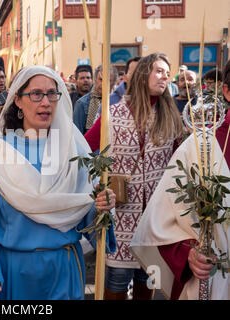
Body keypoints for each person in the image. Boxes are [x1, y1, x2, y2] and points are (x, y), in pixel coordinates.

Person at [0, 65, 117, 300]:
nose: (45, 102)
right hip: (16, 274)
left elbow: (89, 219)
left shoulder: (74, 153)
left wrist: (101, 208)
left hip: (65, 271)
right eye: (36, 94)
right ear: (18, 101)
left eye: (52, 94)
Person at [84, 53, 184, 299]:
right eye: (159, 71)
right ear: (143, 74)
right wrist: (100, 185)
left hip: (155, 219)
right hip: (120, 218)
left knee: (147, 283)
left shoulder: (170, 115)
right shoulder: (112, 114)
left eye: (167, 73)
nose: (165, 77)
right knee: (116, 285)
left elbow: (177, 164)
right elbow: (85, 150)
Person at [130, 59, 230, 300]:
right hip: (218, 278)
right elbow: (161, 221)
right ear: (227, 91)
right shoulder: (200, 147)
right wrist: (189, 253)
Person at [73, 65, 117, 135]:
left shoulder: (118, 102)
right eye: (101, 79)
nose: (103, 84)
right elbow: (77, 135)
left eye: (108, 81)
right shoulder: (82, 103)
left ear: (114, 83)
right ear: (95, 79)